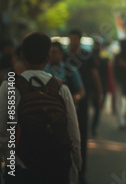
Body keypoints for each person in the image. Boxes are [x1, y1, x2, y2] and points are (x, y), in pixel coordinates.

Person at [0, 32, 81, 184]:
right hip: (55, 168)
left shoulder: (10, 85)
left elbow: (2, 131)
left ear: (22, 56)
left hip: (19, 167)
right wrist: (75, 167)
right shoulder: (60, 87)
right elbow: (73, 135)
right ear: (47, 59)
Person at [64, 29, 103, 184]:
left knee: (81, 136)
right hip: (66, 100)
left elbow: (95, 74)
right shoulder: (64, 56)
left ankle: (81, 173)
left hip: (83, 100)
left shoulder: (87, 56)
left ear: (79, 40)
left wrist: (100, 94)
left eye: (75, 39)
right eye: (71, 39)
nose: (72, 42)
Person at [44, 41, 85, 106]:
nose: (51, 55)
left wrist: (76, 97)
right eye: (49, 52)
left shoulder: (70, 70)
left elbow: (81, 90)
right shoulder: (43, 70)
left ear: (61, 54)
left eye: (54, 52)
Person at [114, 39, 126, 130]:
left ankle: (122, 121)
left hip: (122, 81)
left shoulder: (120, 56)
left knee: (120, 102)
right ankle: (125, 121)